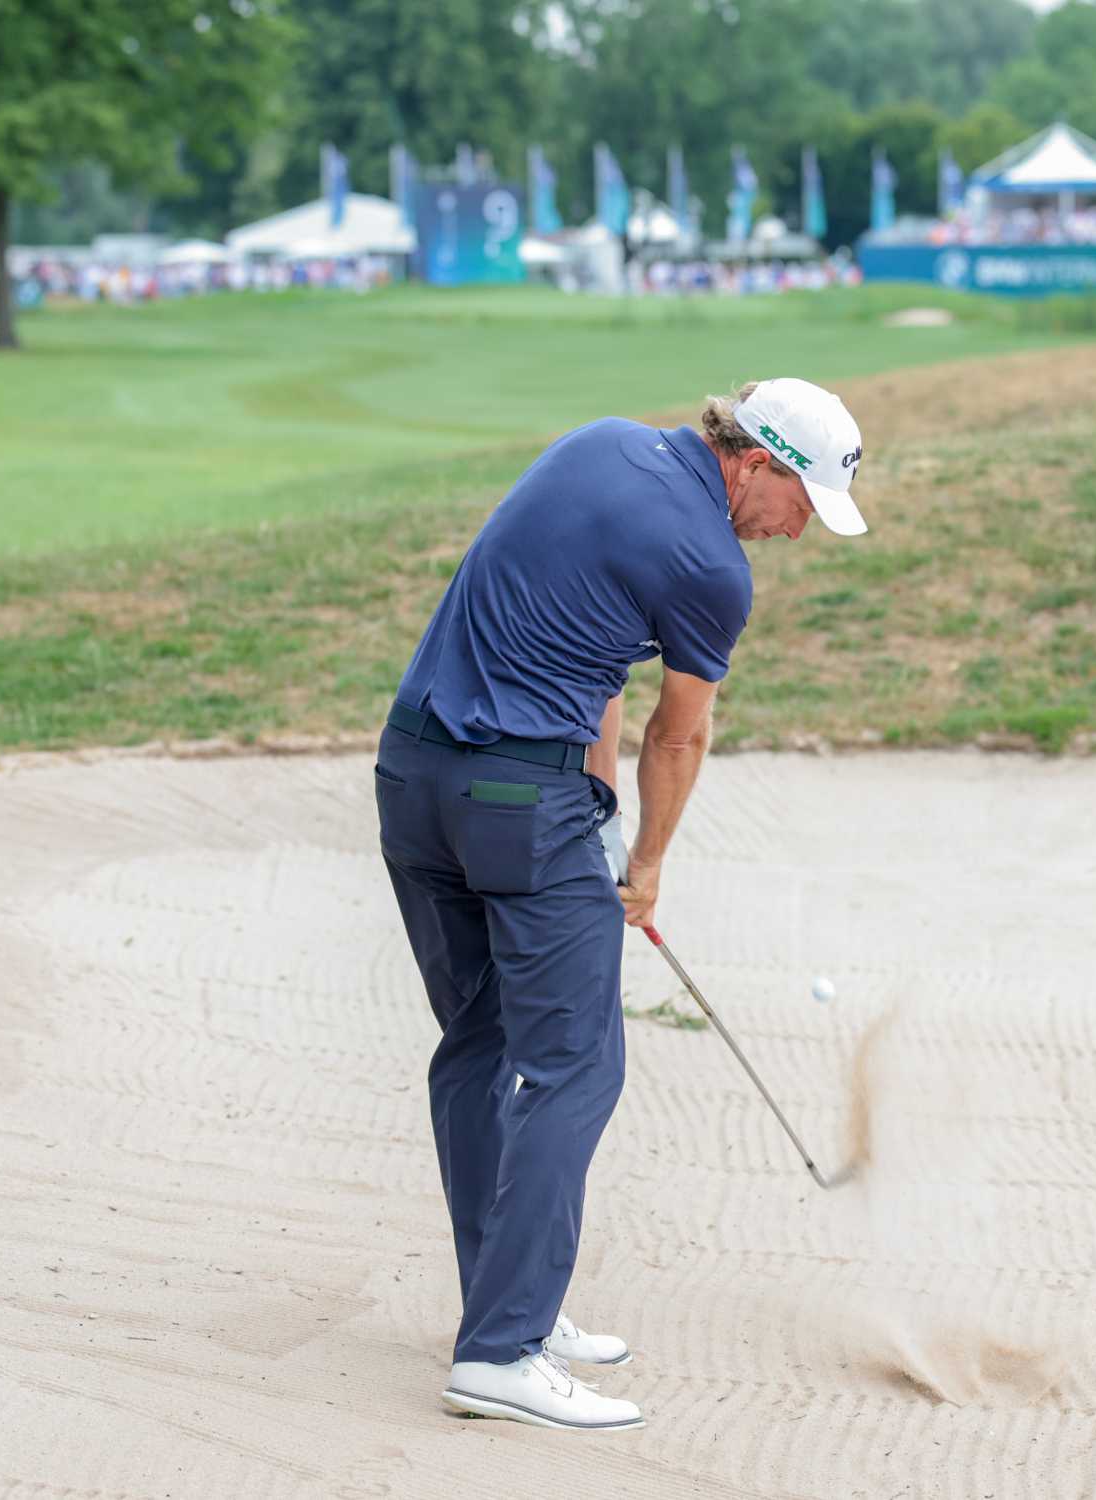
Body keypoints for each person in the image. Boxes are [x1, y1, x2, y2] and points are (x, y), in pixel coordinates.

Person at [374, 379, 868, 1433]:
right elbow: (678, 734)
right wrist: (644, 865)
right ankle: (501, 1351)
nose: (797, 531)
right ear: (757, 463)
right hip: (518, 799)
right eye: (802, 504)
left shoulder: (599, 444)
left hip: (412, 777)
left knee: (479, 1041)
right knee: (577, 1065)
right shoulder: (712, 566)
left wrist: (595, 815)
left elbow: (594, 659)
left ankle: (505, 1308)